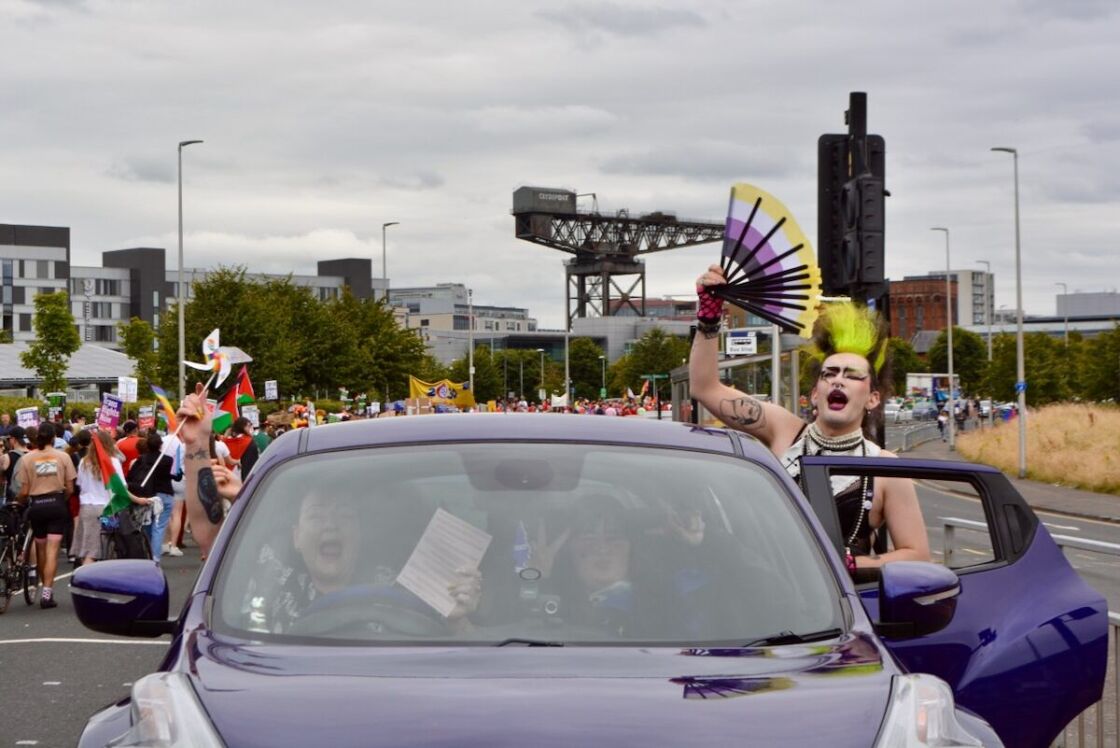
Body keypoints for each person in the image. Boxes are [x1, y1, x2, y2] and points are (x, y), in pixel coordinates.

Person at [689, 265, 929, 571]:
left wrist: (850, 564)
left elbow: (917, 554)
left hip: (835, 610)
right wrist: (708, 317)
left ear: (872, 398)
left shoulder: (885, 469)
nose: (838, 381)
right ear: (815, 393)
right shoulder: (784, 430)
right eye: (829, 374)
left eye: (852, 376)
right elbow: (705, 387)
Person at [13, 423, 77, 608]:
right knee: (53, 551)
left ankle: (44, 586)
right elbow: (70, 488)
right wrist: (61, 499)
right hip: (56, 504)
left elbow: (24, 490)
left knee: (41, 549)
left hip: (37, 506)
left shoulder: (28, 459)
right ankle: (47, 593)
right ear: (53, 438)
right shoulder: (63, 456)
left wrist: (20, 501)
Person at [74, 430, 152, 566]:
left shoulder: (83, 463)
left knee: (87, 551)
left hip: (87, 509)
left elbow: (80, 485)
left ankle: (85, 578)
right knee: (115, 541)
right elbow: (121, 488)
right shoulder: (113, 462)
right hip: (108, 509)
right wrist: (138, 500)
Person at [126, 432, 174, 563]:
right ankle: (155, 557)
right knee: (159, 527)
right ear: (161, 445)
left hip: (148, 495)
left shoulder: (142, 459)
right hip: (165, 494)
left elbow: (130, 477)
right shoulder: (168, 460)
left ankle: (146, 553)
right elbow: (175, 475)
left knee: (147, 525)